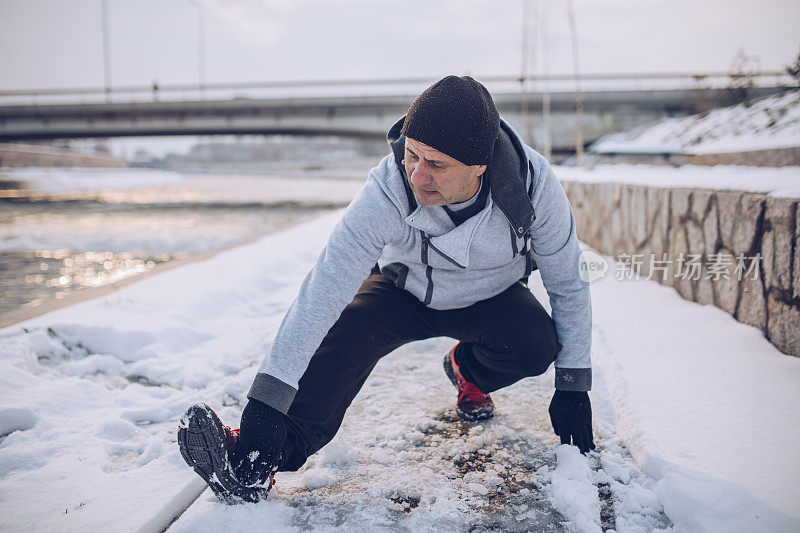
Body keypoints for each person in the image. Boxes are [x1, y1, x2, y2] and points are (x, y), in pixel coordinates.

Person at [178, 75, 594, 504]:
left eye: (436, 164)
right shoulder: (388, 185)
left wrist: (574, 387)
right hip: (402, 289)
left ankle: (467, 372)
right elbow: (324, 285)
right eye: (412, 155)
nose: (416, 174)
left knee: (537, 343)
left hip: (493, 295)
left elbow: (568, 282)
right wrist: (265, 405)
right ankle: (260, 460)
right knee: (338, 341)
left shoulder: (533, 186)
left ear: (479, 166)